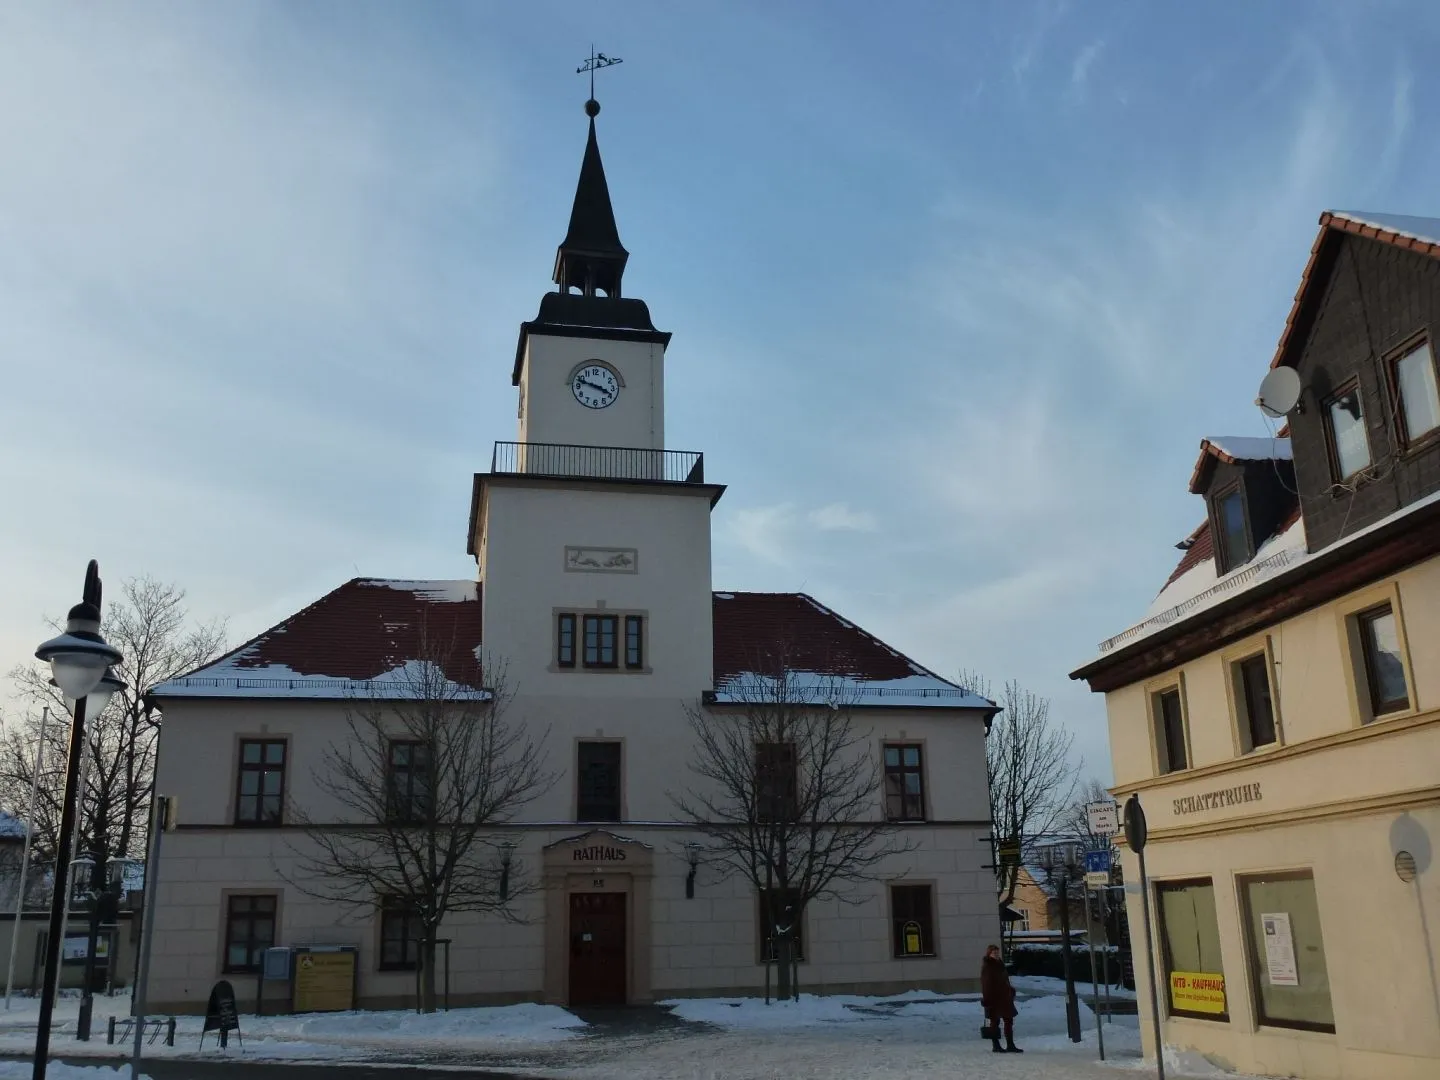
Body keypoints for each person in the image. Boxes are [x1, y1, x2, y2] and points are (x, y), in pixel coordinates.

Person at [980, 944, 1022, 1053]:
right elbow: (986, 984)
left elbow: (1005, 980)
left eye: (997, 952)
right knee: (995, 1021)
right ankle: (996, 1045)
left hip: (1005, 997)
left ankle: (1010, 1044)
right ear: (989, 954)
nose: (996, 954)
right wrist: (987, 999)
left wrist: (1010, 990)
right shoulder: (988, 966)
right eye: (994, 953)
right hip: (994, 998)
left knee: (1008, 1020)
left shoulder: (1000, 964)